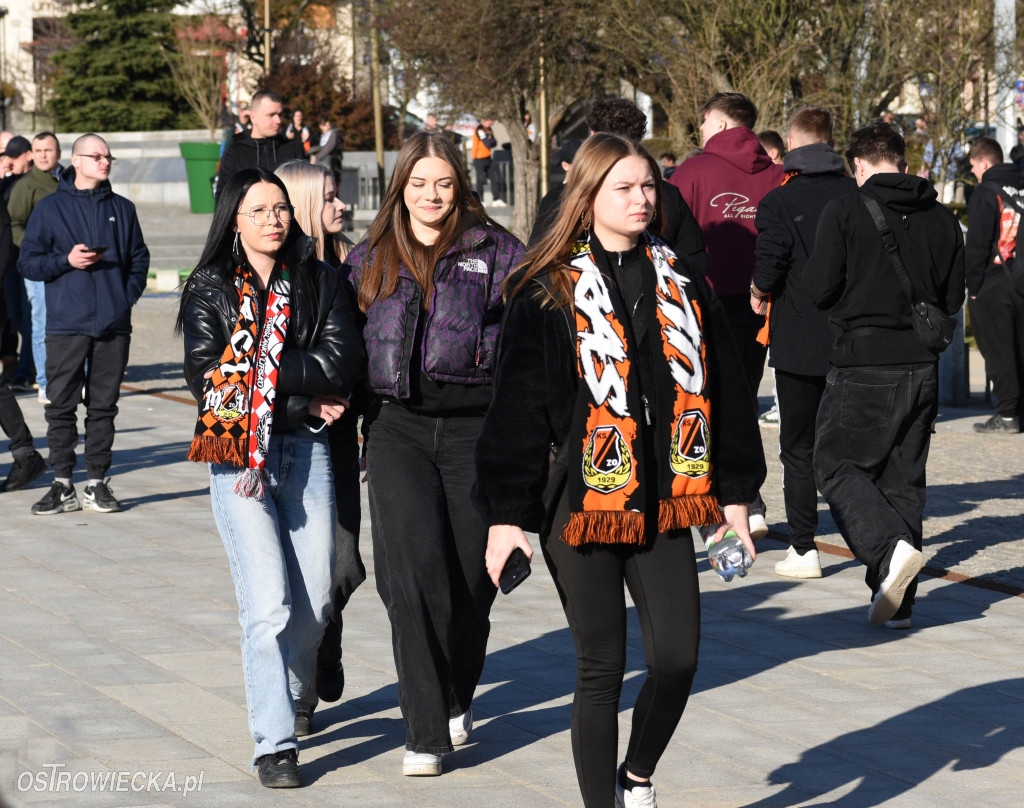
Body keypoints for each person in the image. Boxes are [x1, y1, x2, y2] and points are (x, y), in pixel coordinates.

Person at [475, 133, 765, 808]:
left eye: (648, 186)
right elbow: (515, 413)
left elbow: (726, 391)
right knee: (601, 667)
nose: (642, 199)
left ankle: (636, 774)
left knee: (677, 659)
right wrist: (505, 518)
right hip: (583, 503)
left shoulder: (682, 278)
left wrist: (736, 497)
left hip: (669, 496)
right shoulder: (547, 289)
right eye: (624, 188)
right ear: (587, 196)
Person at [177, 167, 363, 787]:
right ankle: (274, 744)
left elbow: (340, 364)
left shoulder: (320, 279)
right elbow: (209, 382)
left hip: (307, 457)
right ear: (234, 219)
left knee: (315, 607)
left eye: (280, 208)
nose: (272, 220)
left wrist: (260, 367)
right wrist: (302, 400)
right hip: (239, 461)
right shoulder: (208, 287)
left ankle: (290, 692)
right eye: (257, 211)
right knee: (267, 608)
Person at [347, 131, 524, 777]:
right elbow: (344, 336)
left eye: (443, 183)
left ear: (459, 187)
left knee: (473, 583)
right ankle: (424, 733)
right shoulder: (369, 255)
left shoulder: (498, 251)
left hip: (475, 432)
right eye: (418, 183)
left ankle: (456, 694)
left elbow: (527, 339)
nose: (431, 195)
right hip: (395, 430)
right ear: (401, 187)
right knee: (412, 577)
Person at [806, 123, 965, 629]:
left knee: (835, 465)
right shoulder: (942, 216)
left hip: (863, 361)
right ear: (902, 161)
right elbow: (953, 297)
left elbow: (819, 289)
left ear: (857, 165)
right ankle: (899, 601)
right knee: (903, 479)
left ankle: (887, 551)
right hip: (923, 363)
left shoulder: (845, 210)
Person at [669, 92, 784, 538]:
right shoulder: (776, 175)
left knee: (705, 402)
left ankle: (729, 500)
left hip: (703, 303)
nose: (699, 130)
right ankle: (748, 501)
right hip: (759, 303)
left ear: (718, 123)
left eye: (703, 122)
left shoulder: (692, 172)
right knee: (743, 398)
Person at [751, 106, 856, 579]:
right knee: (852, 445)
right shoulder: (857, 195)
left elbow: (770, 263)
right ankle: (876, 541)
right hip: (853, 338)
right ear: (830, 141)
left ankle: (803, 547)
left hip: (797, 338)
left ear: (791, 144)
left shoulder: (778, 200)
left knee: (797, 446)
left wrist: (757, 291)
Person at [19, 134, 149, 515]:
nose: (105, 161)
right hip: (66, 325)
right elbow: (28, 262)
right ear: (76, 161)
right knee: (60, 407)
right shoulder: (50, 208)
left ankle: (96, 483)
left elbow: (139, 259)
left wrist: (123, 299)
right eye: (97, 156)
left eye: (108, 156)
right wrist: (66, 261)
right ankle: (62, 484)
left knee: (104, 407)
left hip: (113, 326)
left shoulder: (123, 208)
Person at [274, 159, 363, 710]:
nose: (341, 205)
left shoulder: (356, 263)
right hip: (289, 434)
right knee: (292, 571)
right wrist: (305, 399)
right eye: (329, 196)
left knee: (342, 566)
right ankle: (301, 691)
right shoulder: (276, 274)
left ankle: (326, 640)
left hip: (342, 433)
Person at [964, 136, 1024, 434]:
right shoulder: (1022, 187)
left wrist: (973, 288)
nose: (973, 171)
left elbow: (976, 246)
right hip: (1021, 279)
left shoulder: (984, 194)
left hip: (994, 281)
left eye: (974, 165)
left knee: (999, 351)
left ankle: (1008, 415)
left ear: (984, 163)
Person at [9, 132, 61, 403]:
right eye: (38, 150)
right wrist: (32, 248)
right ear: (31, 154)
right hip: (38, 265)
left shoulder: (68, 180)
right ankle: (44, 382)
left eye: (47, 150)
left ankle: (75, 378)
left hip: (69, 264)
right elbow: (13, 223)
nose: (42, 155)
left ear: (58, 153)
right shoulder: (26, 185)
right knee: (40, 321)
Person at [215, 91, 305, 196]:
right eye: (271, 115)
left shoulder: (293, 149)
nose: (278, 120)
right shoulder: (235, 153)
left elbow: (305, 193)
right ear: (253, 117)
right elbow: (223, 198)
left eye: (280, 114)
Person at [528, 138, 583, 248]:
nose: (585, 168)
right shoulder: (552, 198)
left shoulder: (596, 192)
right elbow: (536, 242)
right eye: (579, 164)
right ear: (565, 166)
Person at [471, 117, 497, 200]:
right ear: (487, 120)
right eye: (492, 120)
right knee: (480, 179)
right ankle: (480, 199)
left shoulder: (489, 129)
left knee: (494, 178)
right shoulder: (480, 129)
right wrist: (490, 140)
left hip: (488, 157)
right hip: (478, 158)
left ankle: (496, 198)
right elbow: (487, 144)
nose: (493, 122)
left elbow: (495, 142)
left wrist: (490, 140)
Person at [308, 117, 341, 183]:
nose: (328, 127)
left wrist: (317, 157)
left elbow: (329, 147)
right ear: (321, 126)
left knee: (328, 178)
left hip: (329, 160)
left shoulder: (333, 133)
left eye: (329, 125)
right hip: (322, 160)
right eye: (326, 125)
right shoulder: (322, 135)